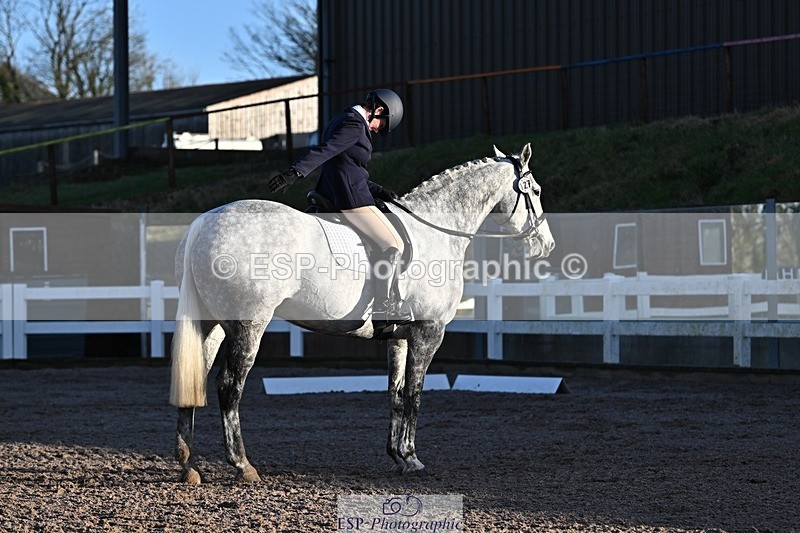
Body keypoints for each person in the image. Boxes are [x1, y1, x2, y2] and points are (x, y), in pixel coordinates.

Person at [268, 88, 412, 328]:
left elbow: (346, 166)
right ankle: (384, 308)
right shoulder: (355, 125)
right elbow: (326, 151)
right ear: (379, 110)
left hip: (340, 189)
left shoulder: (342, 117)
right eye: (382, 125)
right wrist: (295, 172)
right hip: (349, 198)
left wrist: (378, 190)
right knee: (393, 244)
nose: (378, 130)